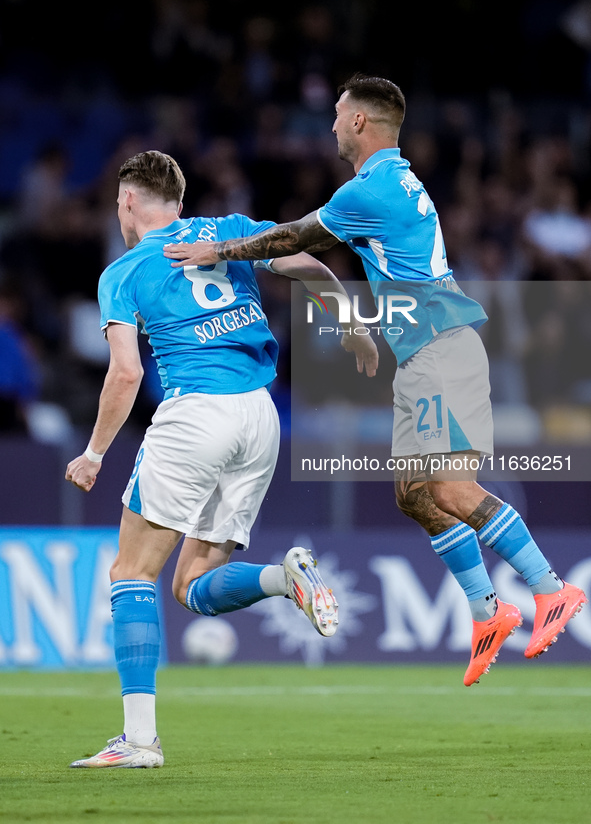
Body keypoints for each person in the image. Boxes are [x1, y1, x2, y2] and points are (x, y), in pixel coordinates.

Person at [164, 73, 588, 687]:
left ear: (360, 121)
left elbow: (293, 238)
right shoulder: (396, 180)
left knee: (452, 488)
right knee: (415, 493)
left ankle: (552, 591)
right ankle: (486, 611)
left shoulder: (371, 190)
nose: (332, 125)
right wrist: (357, 326)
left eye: (337, 115)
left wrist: (218, 251)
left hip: (441, 348)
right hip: (422, 353)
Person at [65, 149, 378, 768]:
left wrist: (94, 451)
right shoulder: (230, 230)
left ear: (127, 200)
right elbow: (307, 263)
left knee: (132, 575)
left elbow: (126, 373)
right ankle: (282, 578)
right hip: (260, 416)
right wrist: (347, 321)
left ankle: (139, 741)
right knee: (192, 586)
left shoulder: (122, 272)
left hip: (194, 414)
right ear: (179, 203)